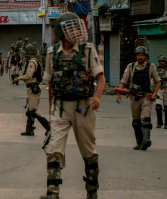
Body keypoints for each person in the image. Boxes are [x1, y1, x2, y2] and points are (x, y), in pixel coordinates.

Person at [42, 12, 104, 199]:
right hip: (60, 108)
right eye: (71, 28)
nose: (76, 31)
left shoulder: (87, 50)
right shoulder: (52, 54)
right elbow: (50, 83)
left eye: (77, 27)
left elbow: (100, 78)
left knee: (88, 152)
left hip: (82, 107)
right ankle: (53, 193)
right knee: (54, 151)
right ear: (61, 32)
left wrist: (97, 97)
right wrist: (51, 111)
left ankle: (92, 192)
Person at [117, 46, 161, 151]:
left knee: (146, 119)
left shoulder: (151, 67)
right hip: (134, 97)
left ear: (146, 56)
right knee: (136, 122)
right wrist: (119, 94)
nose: (140, 57)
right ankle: (139, 143)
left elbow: (158, 81)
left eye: (142, 55)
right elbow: (123, 81)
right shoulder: (130, 66)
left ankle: (146, 140)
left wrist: (154, 93)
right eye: (138, 55)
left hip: (146, 97)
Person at [14, 44, 50, 136]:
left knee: (33, 110)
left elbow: (28, 75)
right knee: (29, 109)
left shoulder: (32, 62)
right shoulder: (35, 61)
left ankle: (49, 127)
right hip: (31, 87)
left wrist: (18, 78)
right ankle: (29, 129)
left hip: (33, 88)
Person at [155, 54, 167, 129]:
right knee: (158, 106)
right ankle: (159, 122)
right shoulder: (155, 69)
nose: (161, 62)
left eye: (163, 61)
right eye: (160, 61)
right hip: (159, 89)